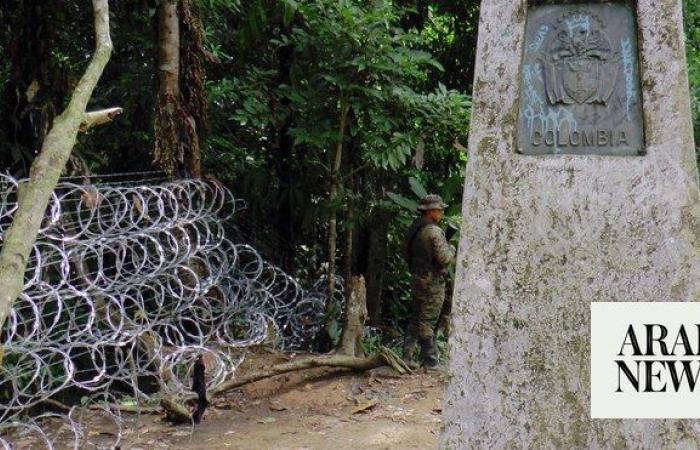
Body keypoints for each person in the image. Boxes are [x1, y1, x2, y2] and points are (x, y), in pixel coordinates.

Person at [403, 194, 456, 368]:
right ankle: (430, 360)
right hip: (432, 280)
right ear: (431, 211)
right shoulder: (433, 231)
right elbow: (445, 259)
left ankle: (407, 356)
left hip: (417, 277)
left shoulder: (415, 228)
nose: (441, 212)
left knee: (416, 317)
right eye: (439, 209)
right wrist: (452, 248)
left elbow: (406, 253)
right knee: (428, 320)